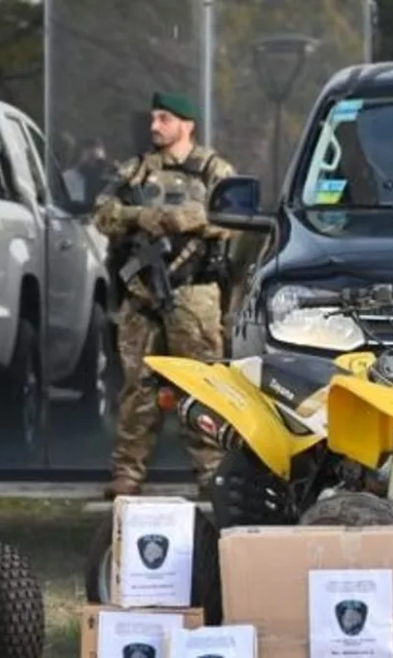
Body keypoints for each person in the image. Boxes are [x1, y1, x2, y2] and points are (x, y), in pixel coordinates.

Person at [93, 92, 236, 499]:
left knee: (203, 385)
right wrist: (143, 217)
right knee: (138, 387)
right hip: (142, 295)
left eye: (165, 118)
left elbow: (235, 218)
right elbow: (103, 212)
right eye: (154, 118)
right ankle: (127, 472)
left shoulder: (213, 169)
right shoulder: (136, 171)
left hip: (194, 296)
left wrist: (186, 219)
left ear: (187, 124)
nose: (155, 126)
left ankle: (212, 474)